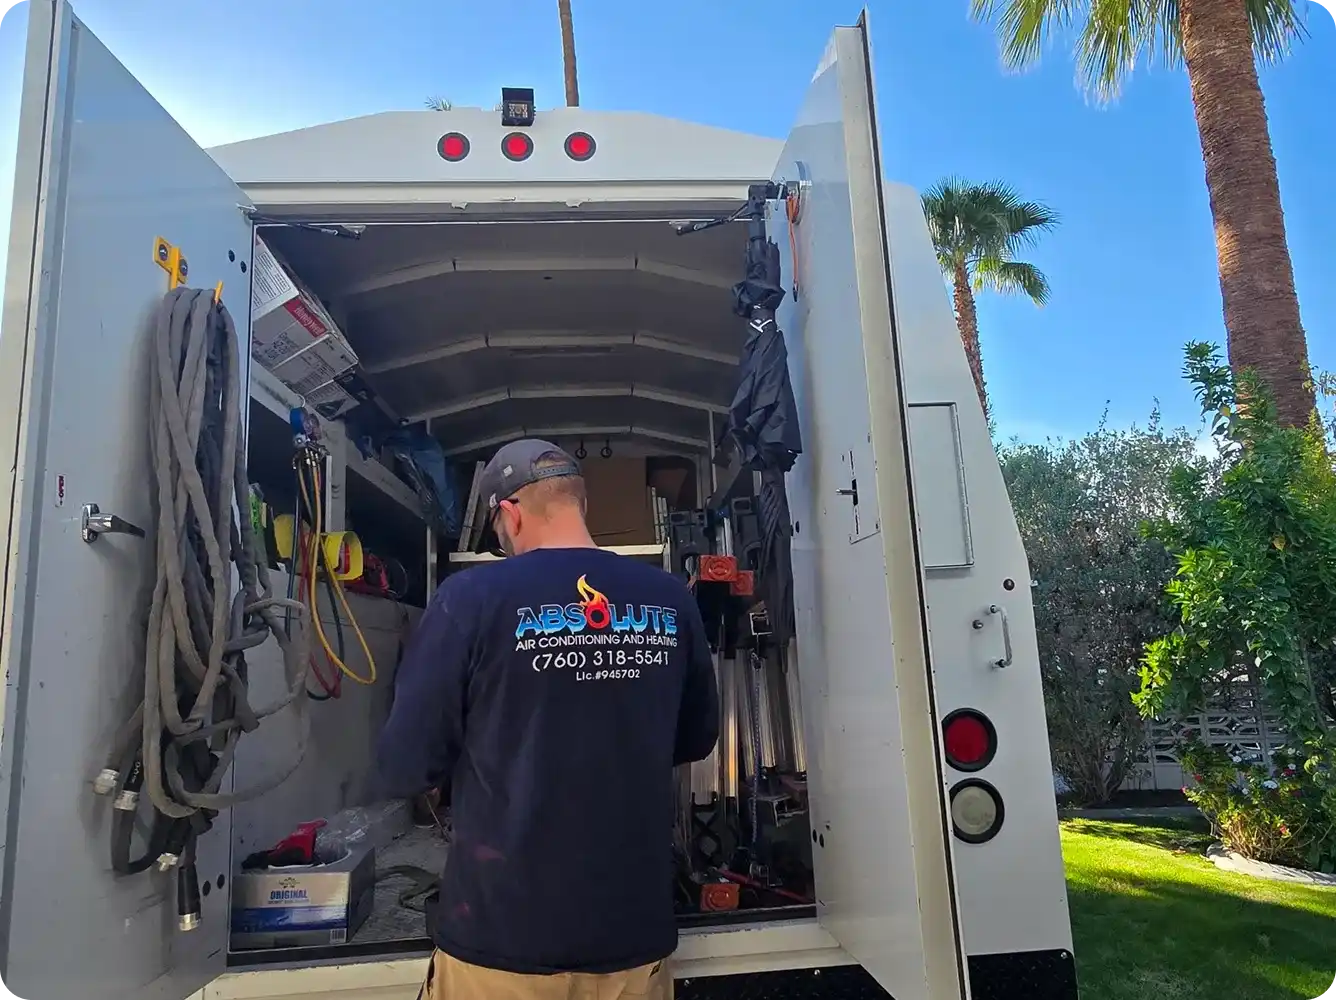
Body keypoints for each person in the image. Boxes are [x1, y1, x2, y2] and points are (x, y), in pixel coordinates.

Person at [376, 438, 720, 1000]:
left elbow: (407, 764)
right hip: (631, 936)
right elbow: (695, 737)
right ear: (578, 503)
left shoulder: (469, 599)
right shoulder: (669, 599)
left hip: (502, 941)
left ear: (508, 514)